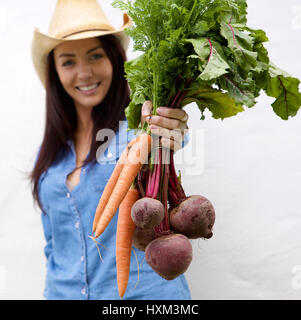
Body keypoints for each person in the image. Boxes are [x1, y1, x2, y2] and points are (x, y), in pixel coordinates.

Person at [29, 0, 190, 300]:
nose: (84, 72)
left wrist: (170, 124)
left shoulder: (137, 128)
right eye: (68, 61)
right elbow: (54, 244)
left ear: (114, 59)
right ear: (55, 71)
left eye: (95, 56)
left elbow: (170, 136)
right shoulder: (50, 155)